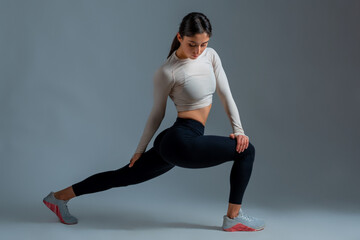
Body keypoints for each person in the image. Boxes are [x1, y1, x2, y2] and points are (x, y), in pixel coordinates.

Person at [43, 12, 265, 232]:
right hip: (180, 141)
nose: (198, 51)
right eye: (192, 44)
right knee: (246, 152)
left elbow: (226, 94)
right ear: (180, 37)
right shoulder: (167, 72)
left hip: (178, 139)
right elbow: (157, 114)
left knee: (123, 177)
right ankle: (233, 218)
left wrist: (239, 130)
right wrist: (139, 150)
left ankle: (58, 197)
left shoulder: (211, 56)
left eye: (203, 44)